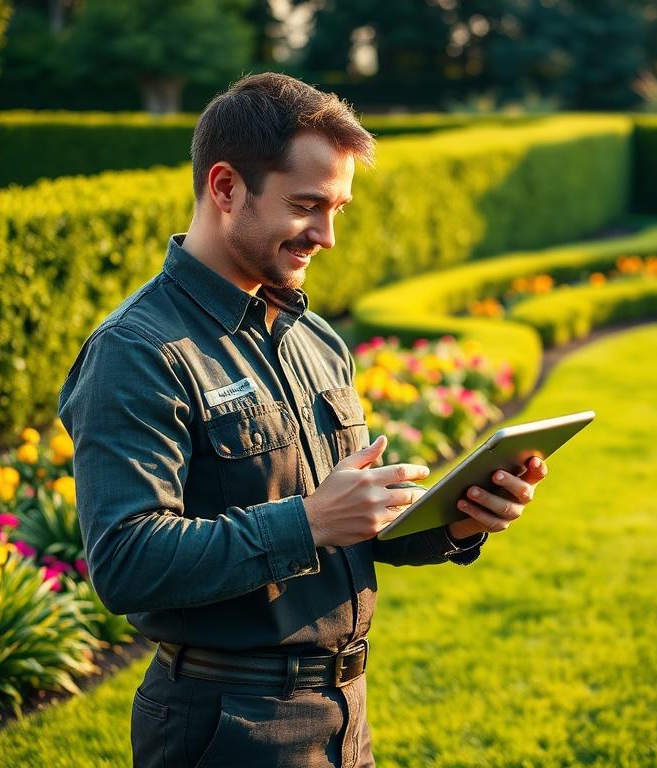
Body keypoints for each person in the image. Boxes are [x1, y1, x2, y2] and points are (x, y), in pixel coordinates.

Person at [56, 72, 549, 768]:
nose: (327, 235)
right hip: (226, 729)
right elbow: (127, 563)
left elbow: (347, 533)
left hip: (346, 720)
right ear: (225, 188)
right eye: (307, 205)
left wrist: (463, 518)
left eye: (338, 208)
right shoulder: (137, 352)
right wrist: (310, 521)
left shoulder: (315, 339)